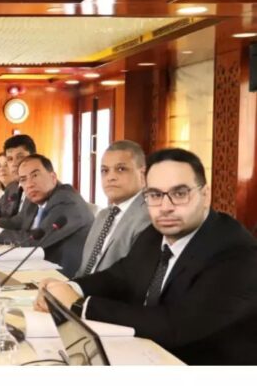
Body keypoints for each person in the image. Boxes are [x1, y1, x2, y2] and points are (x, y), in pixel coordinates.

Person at [35, 148, 257, 365]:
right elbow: (119, 276)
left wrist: (79, 305)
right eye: (155, 195)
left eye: (180, 194)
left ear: (205, 195)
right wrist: (70, 288)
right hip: (145, 352)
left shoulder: (236, 251)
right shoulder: (154, 233)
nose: (165, 207)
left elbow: (177, 325)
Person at [0, 154, 94, 278]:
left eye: (35, 175)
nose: (29, 184)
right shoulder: (35, 200)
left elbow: (37, 240)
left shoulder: (66, 200)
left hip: (63, 276)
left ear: (53, 177)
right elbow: (18, 223)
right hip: (37, 267)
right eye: (23, 179)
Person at [75, 140, 151, 276]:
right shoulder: (103, 215)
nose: (110, 177)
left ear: (142, 175)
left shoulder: (147, 217)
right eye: (105, 171)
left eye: (121, 169)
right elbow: (83, 270)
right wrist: (70, 286)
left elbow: (132, 278)